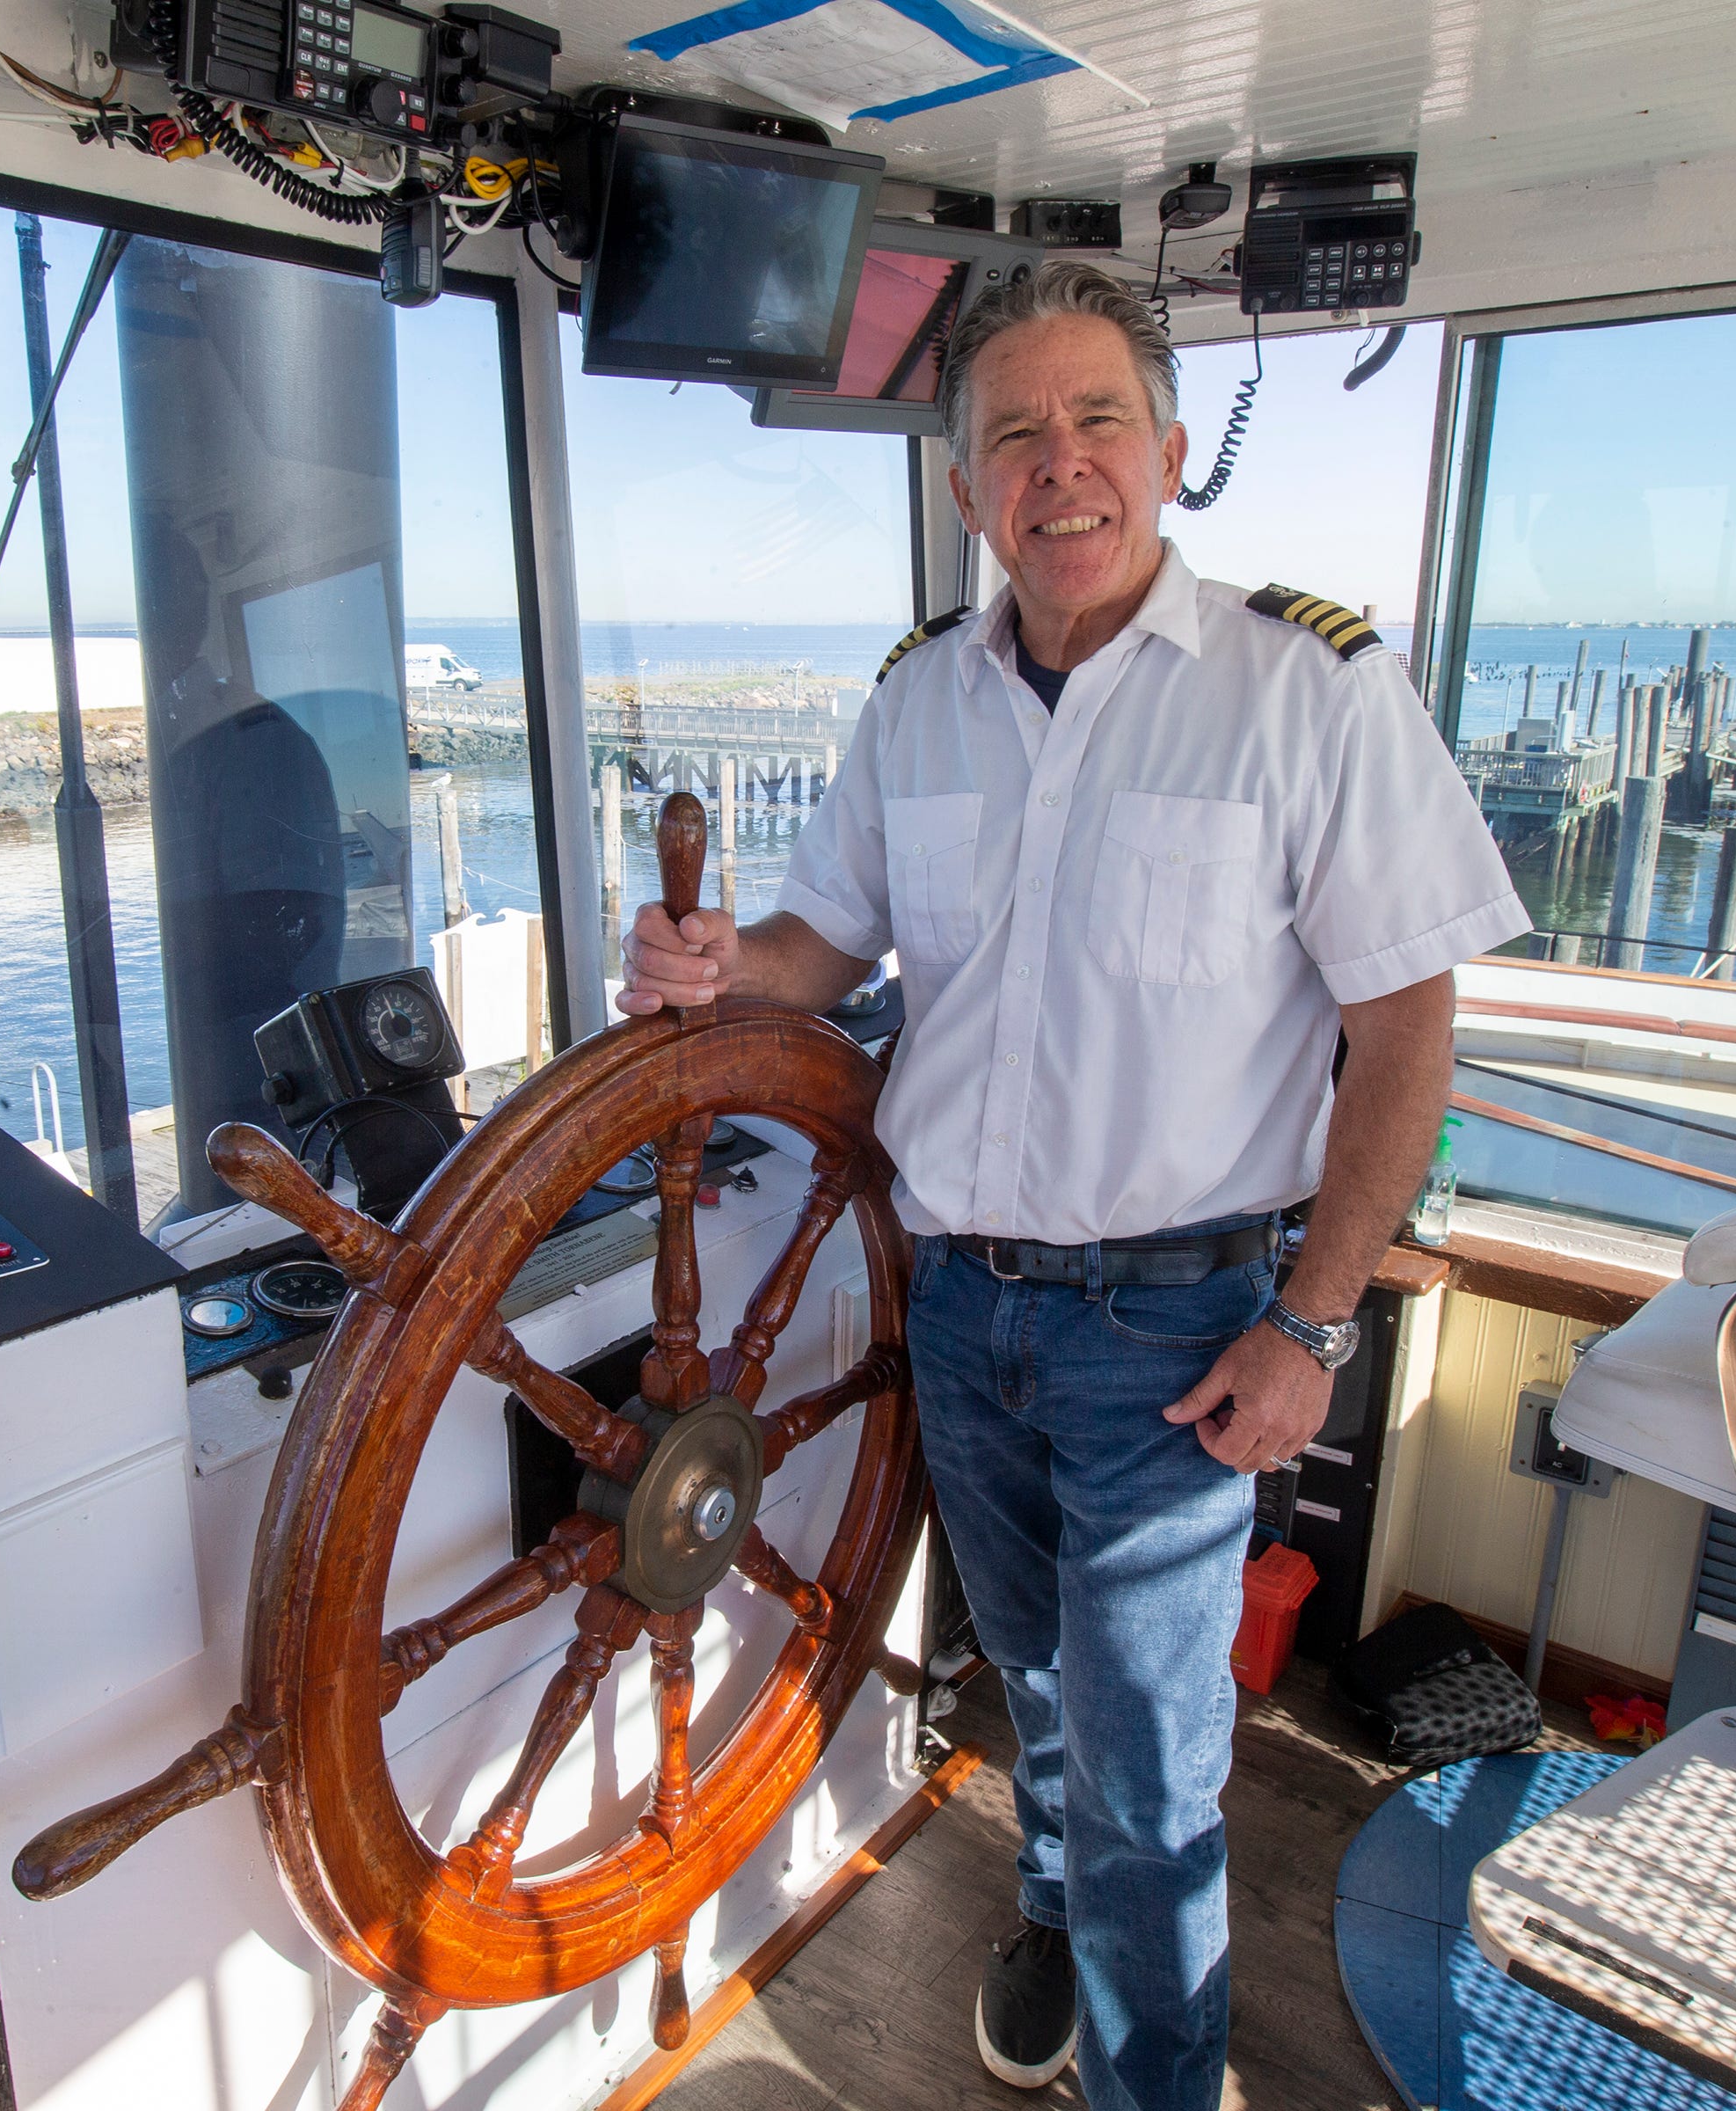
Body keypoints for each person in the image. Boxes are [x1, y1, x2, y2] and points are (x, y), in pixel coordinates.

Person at [615, 261, 1527, 2111]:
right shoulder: (918, 707)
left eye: (1098, 419)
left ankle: (1153, 2082)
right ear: (966, 494)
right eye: (1014, 434)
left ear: (1172, 454)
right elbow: (825, 940)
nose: (1062, 465)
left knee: (1149, 1773)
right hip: (963, 1305)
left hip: (1183, 1328)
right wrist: (721, 972)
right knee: (1033, 1683)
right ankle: (1048, 1908)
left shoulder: (1309, 696)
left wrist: (1313, 1325)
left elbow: (1406, 1036)